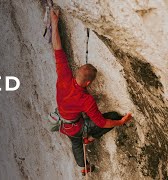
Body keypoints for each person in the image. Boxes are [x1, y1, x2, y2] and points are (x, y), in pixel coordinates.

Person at [49, 9, 132, 175]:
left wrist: (54, 22)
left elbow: (57, 48)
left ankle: (83, 166)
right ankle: (90, 138)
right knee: (112, 117)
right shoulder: (86, 100)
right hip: (75, 126)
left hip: (63, 122)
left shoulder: (64, 77)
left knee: (75, 143)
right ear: (88, 83)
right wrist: (120, 122)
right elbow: (102, 123)